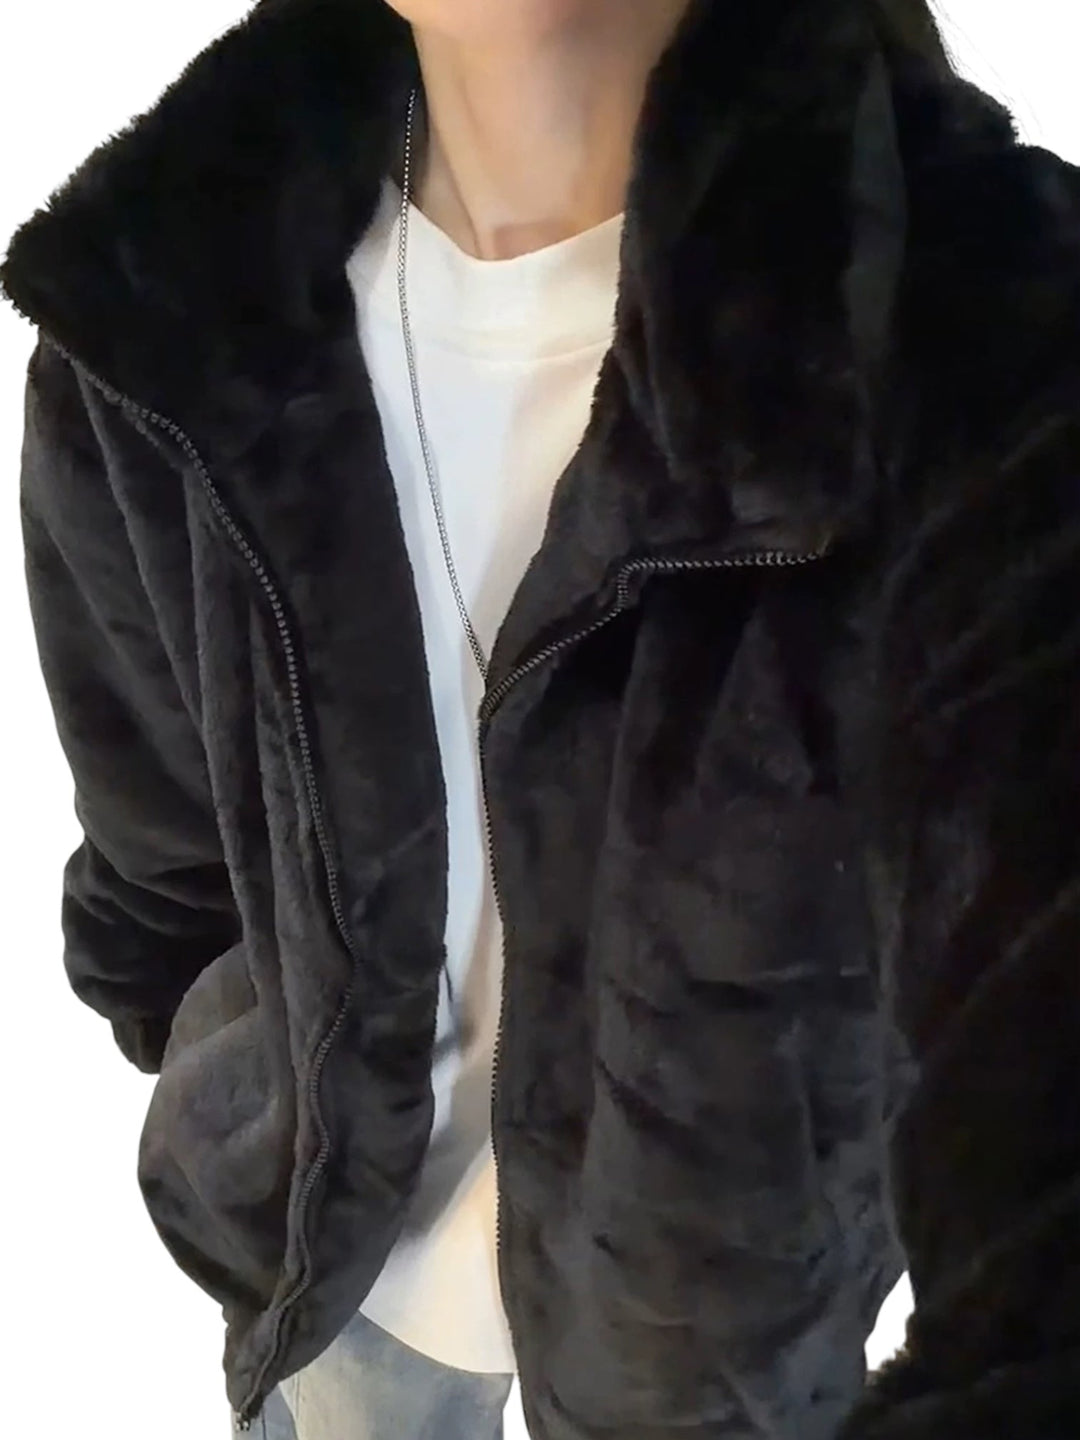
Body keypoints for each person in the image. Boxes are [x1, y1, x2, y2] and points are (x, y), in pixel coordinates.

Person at [3, 0, 1079, 1436]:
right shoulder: (160, 311)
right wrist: (254, 1092)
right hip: (335, 1265)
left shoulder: (989, 327)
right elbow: (165, 848)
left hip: (712, 1332)